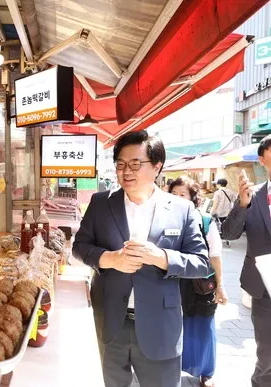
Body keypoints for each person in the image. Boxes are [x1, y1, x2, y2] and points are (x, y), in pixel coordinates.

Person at [73, 130, 210, 387]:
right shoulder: (102, 203)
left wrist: (161, 257)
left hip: (160, 327)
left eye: (136, 164)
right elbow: (79, 247)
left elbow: (202, 264)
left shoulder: (181, 209)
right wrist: (109, 259)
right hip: (112, 320)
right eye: (121, 164)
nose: (126, 171)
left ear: (157, 167)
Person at [222, 134, 271, 387]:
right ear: (262, 161)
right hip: (264, 289)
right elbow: (228, 234)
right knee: (267, 353)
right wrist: (242, 204)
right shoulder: (252, 197)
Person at [169, 176, 227, 387]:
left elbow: (216, 255)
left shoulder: (205, 221)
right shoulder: (166, 219)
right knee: (173, 326)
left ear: (194, 199)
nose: (177, 198)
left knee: (202, 326)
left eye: (182, 194)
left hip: (200, 284)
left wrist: (221, 287)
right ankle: (171, 367)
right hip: (173, 282)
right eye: (173, 194)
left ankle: (206, 372)